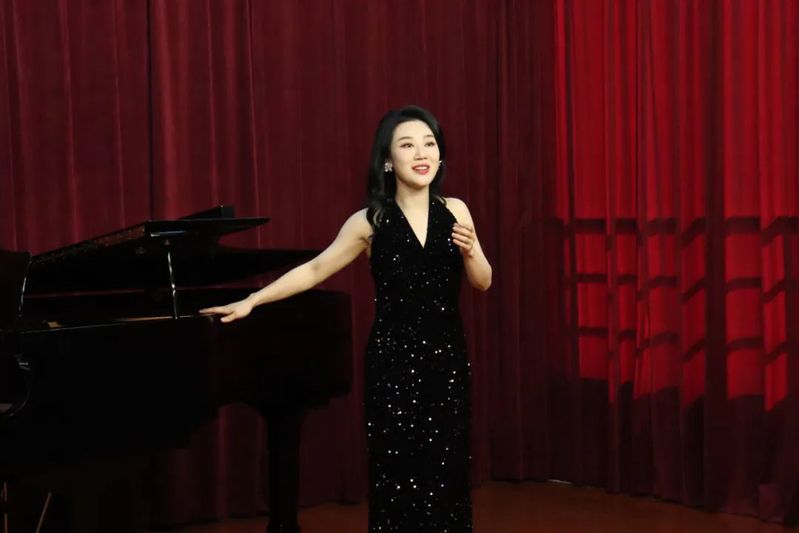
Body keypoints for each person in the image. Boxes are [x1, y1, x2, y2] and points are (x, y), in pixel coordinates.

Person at [201, 105, 492, 532]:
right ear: (388, 160)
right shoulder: (369, 221)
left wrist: (471, 250)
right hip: (392, 363)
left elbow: (483, 281)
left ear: (440, 154)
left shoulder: (457, 211)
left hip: (446, 360)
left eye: (429, 144)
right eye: (407, 145)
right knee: (397, 472)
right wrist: (253, 299)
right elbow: (316, 269)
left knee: (445, 469)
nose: (421, 154)